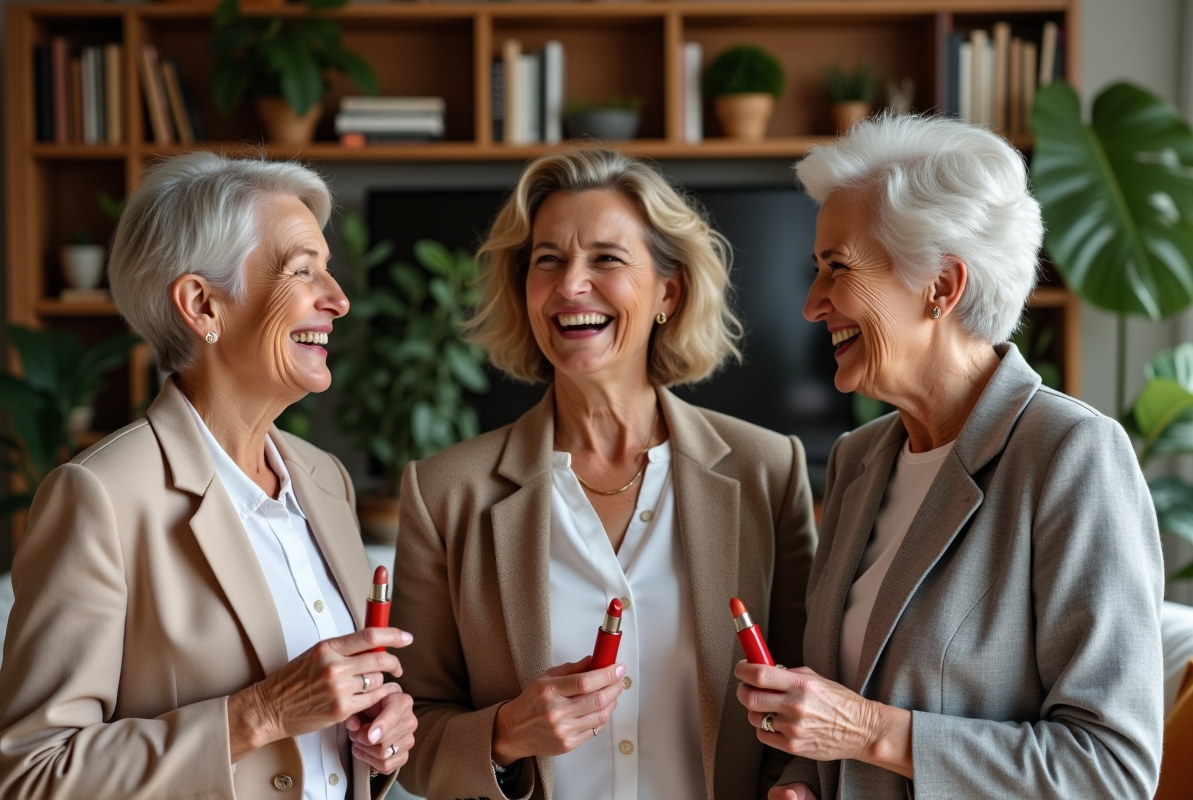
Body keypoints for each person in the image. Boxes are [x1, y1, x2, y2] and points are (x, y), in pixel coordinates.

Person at [734, 115, 1164, 799]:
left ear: (942, 285)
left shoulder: (1070, 456)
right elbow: (829, 713)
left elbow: (1109, 771)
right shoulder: (858, 459)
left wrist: (868, 732)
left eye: (837, 268)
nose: (813, 304)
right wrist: (803, 783)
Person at [392, 147, 818, 800]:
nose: (569, 286)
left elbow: (806, 684)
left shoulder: (770, 470)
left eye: (606, 259)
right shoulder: (445, 493)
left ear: (667, 293)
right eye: (548, 261)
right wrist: (506, 732)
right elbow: (411, 733)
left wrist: (797, 787)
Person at [0, 152, 417, 799]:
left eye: (328, 274)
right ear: (201, 304)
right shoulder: (101, 496)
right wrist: (263, 715)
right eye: (304, 271)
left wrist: (379, 736)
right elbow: (31, 775)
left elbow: (328, 743)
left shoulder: (324, 480)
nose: (338, 301)